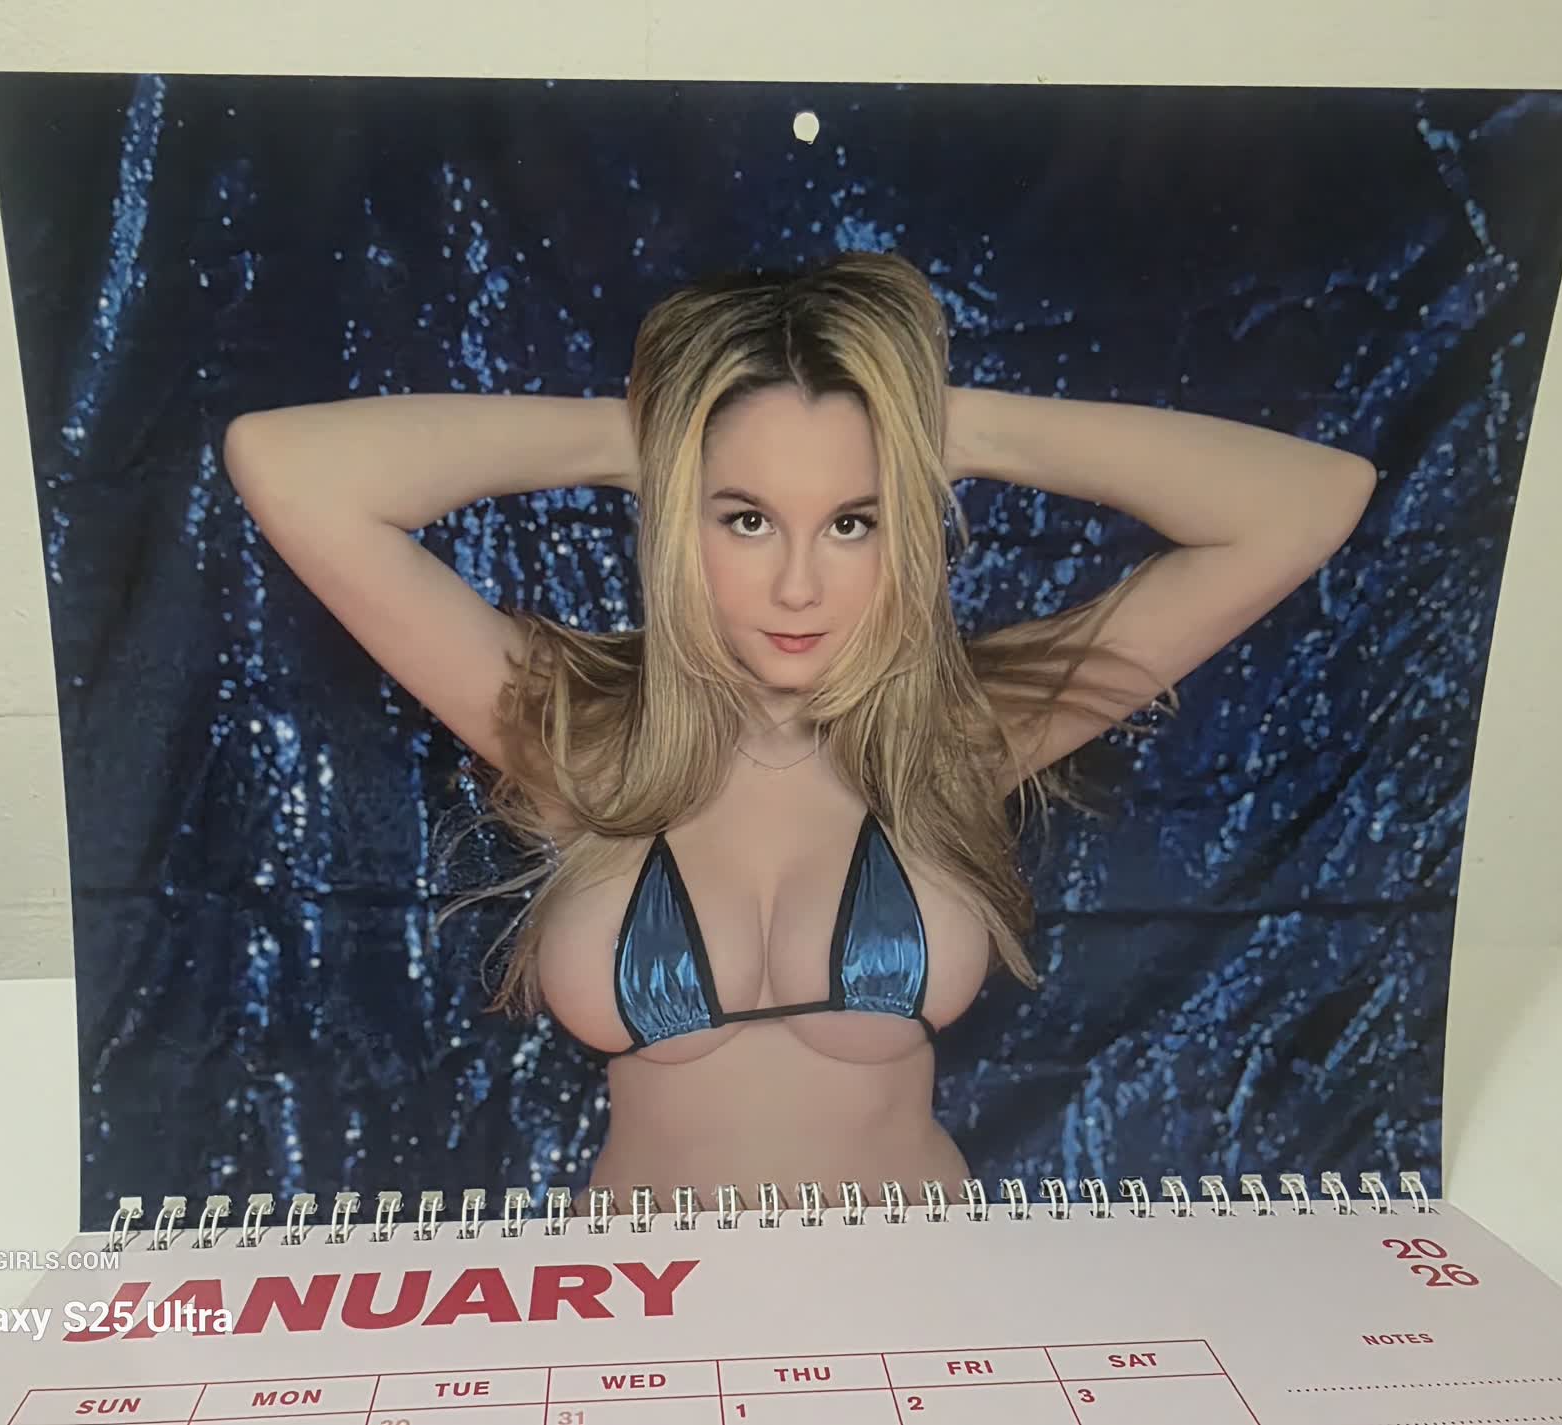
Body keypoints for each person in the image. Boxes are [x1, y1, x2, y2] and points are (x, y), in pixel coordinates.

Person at [223, 252, 1374, 1211]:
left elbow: (1306, 502)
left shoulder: (954, 744)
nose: (796, 585)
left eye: (852, 521)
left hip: (921, 1313)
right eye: (745, 517)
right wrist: (643, 437)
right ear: (677, 517)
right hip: (650, 1324)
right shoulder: (584, 746)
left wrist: (938, 427)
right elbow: (288, 469)